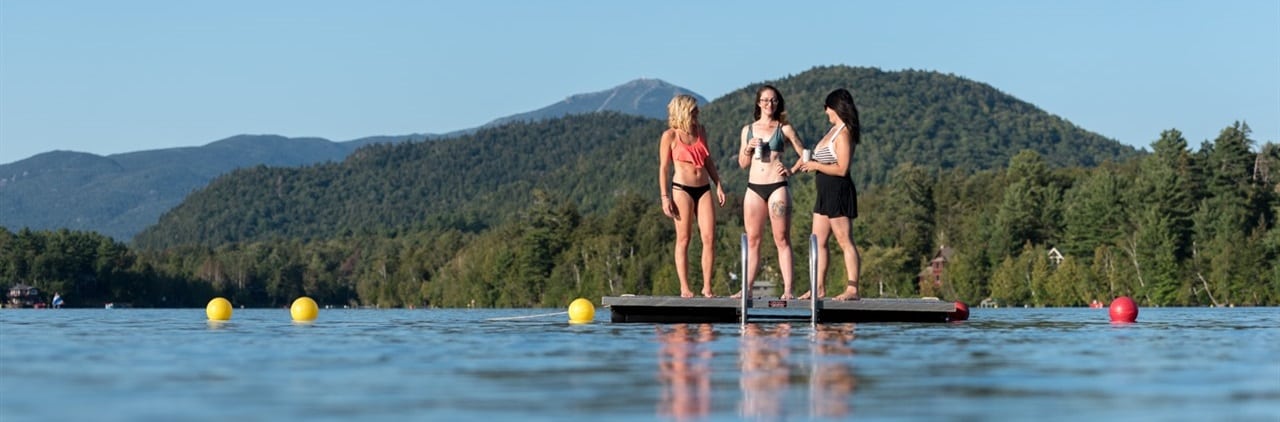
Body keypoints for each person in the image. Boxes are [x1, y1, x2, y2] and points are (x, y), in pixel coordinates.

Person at [734, 85, 805, 299]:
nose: (769, 104)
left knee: (781, 238)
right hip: (754, 187)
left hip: (777, 185)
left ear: (778, 103)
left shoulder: (784, 129)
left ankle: (788, 290)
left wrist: (791, 169)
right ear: (758, 103)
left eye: (773, 100)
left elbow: (805, 154)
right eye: (765, 100)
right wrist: (747, 148)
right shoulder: (747, 130)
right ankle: (746, 288)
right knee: (753, 239)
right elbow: (743, 164)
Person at [796, 88, 862, 300]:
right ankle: (818, 287)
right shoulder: (832, 131)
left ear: (834, 107)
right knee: (818, 240)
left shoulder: (844, 133)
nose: (826, 112)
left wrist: (815, 165)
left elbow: (842, 168)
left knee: (844, 240)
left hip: (838, 190)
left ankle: (852, 288)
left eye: (827, 108)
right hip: (824, 192)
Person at [659, 94, 726, 298]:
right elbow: (663, 168)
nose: (697, 112)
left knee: (709, 237)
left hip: (703, 187)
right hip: (682, 189)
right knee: (684, 238)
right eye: (693, 109)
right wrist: (664, 197)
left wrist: (719, 184)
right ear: (684, 111)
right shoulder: (670, 136)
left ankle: (707, 286)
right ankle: (685, 287)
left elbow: (708, 160)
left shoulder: (701, 131)